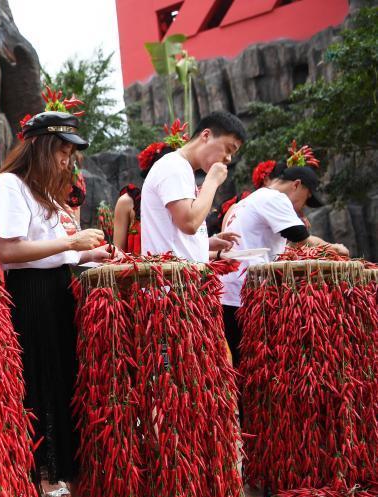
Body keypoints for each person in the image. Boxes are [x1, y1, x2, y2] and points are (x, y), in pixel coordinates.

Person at [0, 109, 110, 497]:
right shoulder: (9, 186)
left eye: (71, 154)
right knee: (36, 393)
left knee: (64, 390)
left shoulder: (45, 194)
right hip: (30, 297)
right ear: (40, 147)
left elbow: (53, 251)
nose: (67, 162)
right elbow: (11, 252)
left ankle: (76, 494)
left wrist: (86, 254)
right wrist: (72, 243)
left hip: (58, 292)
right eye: (62, 151)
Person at [220, 152, 348, 369]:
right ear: (297, 185)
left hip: (231, 292)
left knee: (238, 365)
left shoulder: (254, 198)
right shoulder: (275, 198)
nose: (303, 207)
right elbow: (300, 239)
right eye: (307, 198)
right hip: (244, 295)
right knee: (251, 366)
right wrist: (334, 248)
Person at [140, 111, 247, 261]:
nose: (228, 158)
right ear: (206, 135)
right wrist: (212, 182)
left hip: (180, 278)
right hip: (172, 281)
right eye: (228, 149)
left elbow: (176, 231)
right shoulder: (173, 166)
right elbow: (189, 223)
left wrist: (205, 242)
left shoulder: (182, 168)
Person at [111, 120, 189, 253]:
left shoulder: (186, 204)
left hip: (179, 272)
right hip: (138, 273)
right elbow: (117, 253)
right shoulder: (127, 203)